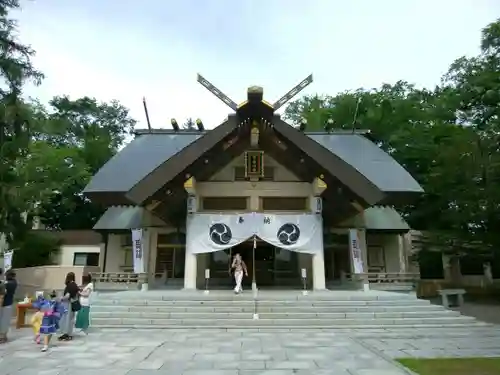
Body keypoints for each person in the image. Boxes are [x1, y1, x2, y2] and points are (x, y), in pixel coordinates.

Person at [58, 272, 79, 341]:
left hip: (68, 304)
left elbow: (67, 296)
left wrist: (61, 298)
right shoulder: (75, 285)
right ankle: (68, 333)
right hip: (72, 303)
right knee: (70, 319)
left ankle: (67, 334)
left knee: (66, 319)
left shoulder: (70, 285)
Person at [0, 270, 18, 343]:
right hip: (8, 303)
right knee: (5, 321)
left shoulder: (8, 284)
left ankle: (3, 337)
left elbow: (3, 284)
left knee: (3, 321)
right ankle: (4, 336)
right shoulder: (14, 282)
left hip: (5, 304)